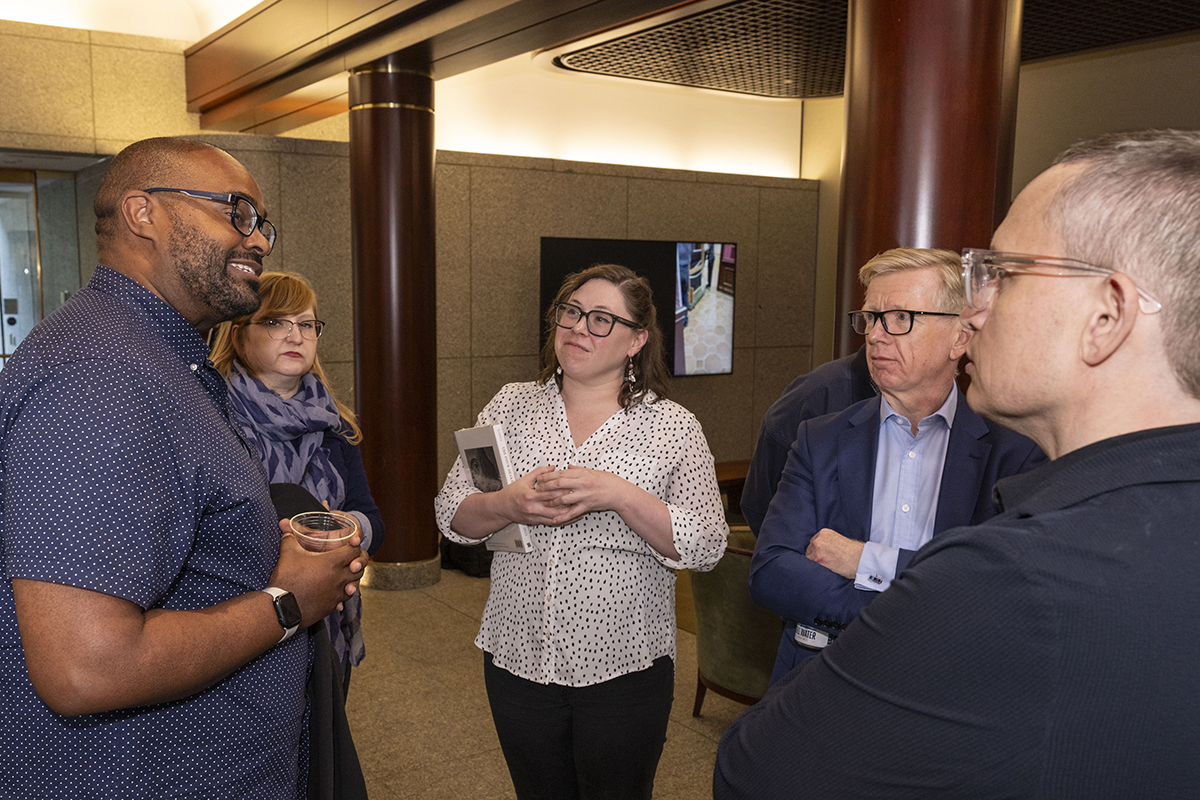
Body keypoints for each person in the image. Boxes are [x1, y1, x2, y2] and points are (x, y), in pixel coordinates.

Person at [715, 129, 1200, 798]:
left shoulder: (1009, 570)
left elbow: (752, 771)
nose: (977, 311)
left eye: (1002, 275)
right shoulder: (823, 425)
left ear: (1107, 315)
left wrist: (877, 570)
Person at [0, 137, 365, 799]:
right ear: (144, 214)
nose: (258, 241)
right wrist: (287, 603)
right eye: (237, 212)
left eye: (263, 224)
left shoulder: (159, 359)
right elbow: (85, 667)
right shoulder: (103, 377)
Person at [434, 263, 728, 800]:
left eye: (600, 320)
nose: (578, 328)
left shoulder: (673, 427)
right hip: (517, 657)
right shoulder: (511, 404)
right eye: (571, 313)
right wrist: (508, 502)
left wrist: (619, 494)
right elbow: (453, 516)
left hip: (625, 666)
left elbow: (706, 544)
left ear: (637, 340)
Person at [749, 248, 1044, 682]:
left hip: (947, 687)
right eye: (870, 318)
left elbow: (999, 587)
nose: (875, 336)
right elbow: (772, 572)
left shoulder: (1013, 452)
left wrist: (866, 559)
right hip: (819, 680)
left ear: (960, 337)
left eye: (900, 318)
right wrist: (910, 616)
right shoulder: (820, 438)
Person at [210, 271, 384, 694]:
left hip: (327, 619)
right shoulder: (212, 418)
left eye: (306, 324)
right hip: (240, 624)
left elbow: (373, 521)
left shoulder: (334, 424)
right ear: (238, 335)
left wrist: (347, 529)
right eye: (276, 322)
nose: (296, 336)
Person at [740, 343, 876, 535]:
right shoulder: (812, 397)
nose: (878, 333)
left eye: (902, 317)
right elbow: (763, 510)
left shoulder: (931, 408)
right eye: (871, 317)